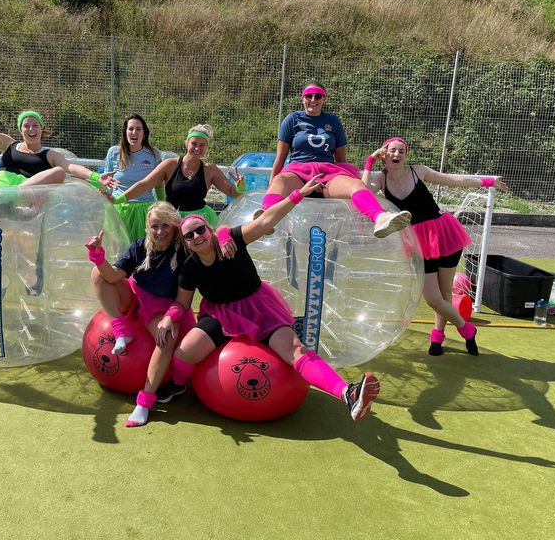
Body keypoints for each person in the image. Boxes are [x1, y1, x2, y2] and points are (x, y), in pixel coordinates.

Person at [154, 175, 381, 423]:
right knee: (184, 352)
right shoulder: (189, 267)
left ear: (210, 230)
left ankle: (348, 393)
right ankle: (177, 385)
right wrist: (168, 318)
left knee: (296, 350)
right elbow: (182, 303)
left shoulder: (233, 240)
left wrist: (297, 195)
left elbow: (265, 221)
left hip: (259, 308)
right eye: (189, 236)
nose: (196, 236)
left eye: (200, 230)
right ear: (186, 243)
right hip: (220, 315)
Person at [362, 137, 509, 356]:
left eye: (401, 151)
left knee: (445, 293)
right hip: (418, 242)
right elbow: (363, 191)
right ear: (384, 154)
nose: (397, 154)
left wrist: (488, 181)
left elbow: (454, 180)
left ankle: (437, 336)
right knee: (432, 298)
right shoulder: (381, 179)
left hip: (444, 233)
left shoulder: (418, 171)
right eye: (392, 150)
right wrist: (369, 162)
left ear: (406, 155)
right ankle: (467, 329)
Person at [85, 202, 216, 428]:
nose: (160, 231)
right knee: (98, 273)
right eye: (155, 226)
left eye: (165, 225)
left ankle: (144, 402)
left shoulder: (184, 253)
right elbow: (114, 276)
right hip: (135, 296)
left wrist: (169, 318)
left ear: (174, 227)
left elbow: (182, 300)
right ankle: (121, 330)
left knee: (166, 339)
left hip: (163, 308)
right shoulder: (139, 246)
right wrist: (97, 255)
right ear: (148, 227)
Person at [255, 81, 410, 238]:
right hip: (298, 170)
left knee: (356, 184)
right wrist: (271, 186)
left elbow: (341, 159)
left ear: (324, 99)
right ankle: (265, 217)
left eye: (318, 96)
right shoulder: (292, 119)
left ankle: (381, 218)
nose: (313, 100)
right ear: (302, 99)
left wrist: (344, 179)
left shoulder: (333, 121)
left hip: (327, 172)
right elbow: (280, 158)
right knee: (280, 180)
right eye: (309, 96)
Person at [114, 124, 244, 227]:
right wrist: (119, 199)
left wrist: (239, 187)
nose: (197, 148)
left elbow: (232, 192)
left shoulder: (210, 170)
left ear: (207, 148)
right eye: (194, 144)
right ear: (186, 144)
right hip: (172, 221)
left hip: (198, 222)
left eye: (202, 145)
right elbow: (144, 184)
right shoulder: (170, 165)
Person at [103, 114, 164, 241]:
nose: (134, 132)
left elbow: (159, 183)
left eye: (138, 129)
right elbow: (106, 182)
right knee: (120, 247)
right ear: (125, 132)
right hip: (120, 209)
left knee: (145, 247)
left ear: (144, 133)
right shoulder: (114, 152)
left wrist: (163, 205)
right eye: (130, 129)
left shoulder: (154, 154)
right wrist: (105, 202)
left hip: (145, 210)